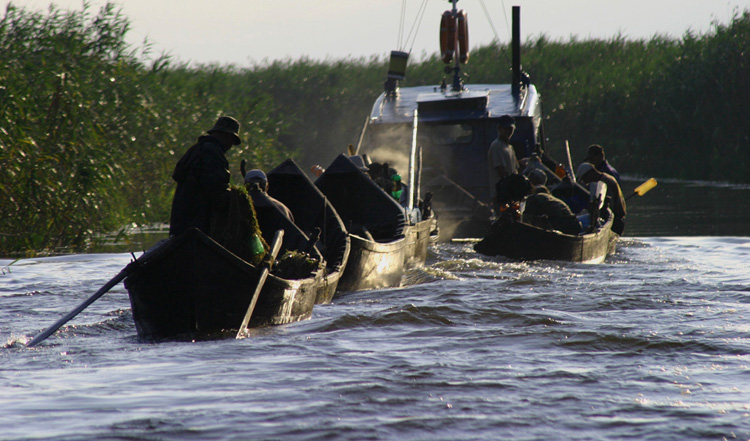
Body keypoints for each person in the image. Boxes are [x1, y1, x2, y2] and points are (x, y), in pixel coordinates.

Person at [169, 116, 241, 237]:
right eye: (232, 141)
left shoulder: (195, 149)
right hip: (197, 223)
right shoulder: (213, 154)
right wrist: (236, 200)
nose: (231, 145)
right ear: (228, 136)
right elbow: (217, 193)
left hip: (180, 221)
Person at [576, 162, 626, 235]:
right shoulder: (604, 179)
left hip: (616, 221)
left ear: (590, 173)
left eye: (584, 178)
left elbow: (609, 206)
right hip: (617, 220)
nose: (585, 181)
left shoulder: (605, 182)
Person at [488, 115, 520, 211]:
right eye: (505, 129)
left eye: (510, 129)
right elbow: (501, 170)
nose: (508, 131)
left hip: (510, 194)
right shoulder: (497, 146)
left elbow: (515, 169)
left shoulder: (509, 147)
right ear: (499, 129)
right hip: (501, 194)